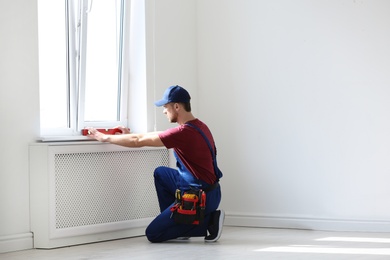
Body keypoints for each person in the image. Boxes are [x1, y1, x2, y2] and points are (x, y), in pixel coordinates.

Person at [87, 85, 224, 243]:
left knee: (153, 234)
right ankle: (180, 223)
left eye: (166, 107)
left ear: (177, 106)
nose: (164, 111)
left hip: (200, 197)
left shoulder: (183, 133)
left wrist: (104, 137)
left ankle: (210, 222)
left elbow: (138, 141)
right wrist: (129, 135)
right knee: (161, 173)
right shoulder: (198, 126)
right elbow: (152, 136)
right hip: (210, 191)